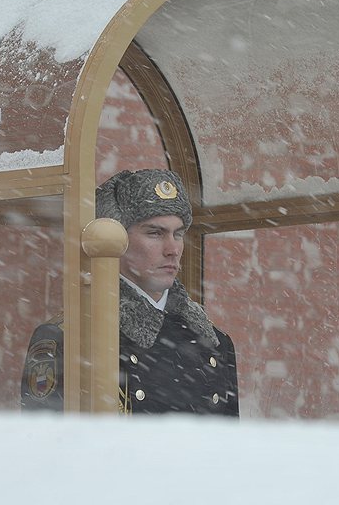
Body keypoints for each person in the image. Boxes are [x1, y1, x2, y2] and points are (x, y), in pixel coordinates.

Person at [21, 169, 239, 416]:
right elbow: (48, 445)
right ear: (118, 241)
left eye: (178, 234)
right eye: (155, 233)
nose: (172, 249)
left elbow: (230, 450)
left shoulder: (215, 341)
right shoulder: (71, 337)